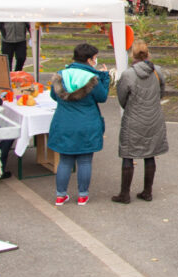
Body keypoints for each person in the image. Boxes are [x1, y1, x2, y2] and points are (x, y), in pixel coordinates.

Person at [49, 43, 110, 206]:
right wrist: (105, 77)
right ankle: (82, 195)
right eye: (95, 58)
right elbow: (102, 97)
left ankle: (60, 195)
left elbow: (54, 97)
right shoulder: (93, 79)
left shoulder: (60, 75)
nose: (96, 61)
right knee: (85, 160)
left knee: (64, 161)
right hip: (87, 123)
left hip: (64, 122)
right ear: (89, 60)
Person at [112, 40, 168, 204]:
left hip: (134, 117)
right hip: (154, 116)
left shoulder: (128, 74)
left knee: (128, 154)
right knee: (150, 153)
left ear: (132, 55)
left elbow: (122, 97)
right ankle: (147, 191)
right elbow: (161, 93)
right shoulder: (157, 71)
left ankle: (124, 193)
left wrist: (132, 107)